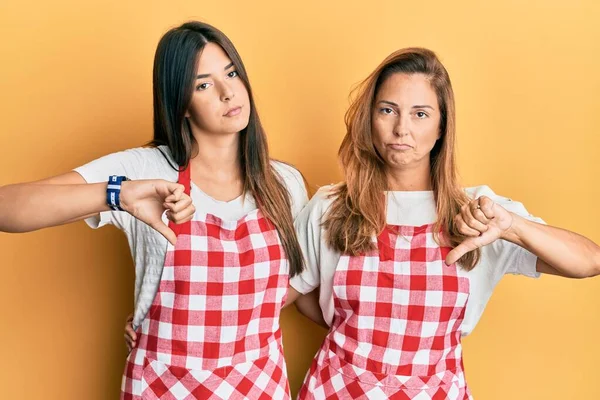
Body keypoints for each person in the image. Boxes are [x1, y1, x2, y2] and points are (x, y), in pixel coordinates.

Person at [0, 21, 311, 399]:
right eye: (204, 84)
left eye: (231, 73)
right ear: (180, 104)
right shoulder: (143, 171)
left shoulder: (286, 183)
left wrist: (213, 322)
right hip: (164, 387)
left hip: (258, 384)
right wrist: (118, 195)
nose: (229, 92)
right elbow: (7, 208)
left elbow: (288, 285)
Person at [286, 47, 600, 399]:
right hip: (337, 390)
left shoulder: (481, 213)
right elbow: (288, 295)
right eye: (388, 110)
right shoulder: (331, 206)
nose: (401, 128)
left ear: (441, 127)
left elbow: (590, 261)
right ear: (369, 120)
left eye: (420, 114)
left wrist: (512, 226)